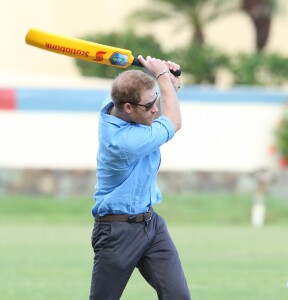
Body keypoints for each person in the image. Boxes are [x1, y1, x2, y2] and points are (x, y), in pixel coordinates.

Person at [89, 55, 191, 300]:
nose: (155, 109)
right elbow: (173, 122)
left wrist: (166, 79)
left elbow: (155, 101)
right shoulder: (123, 143)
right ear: (128, 108)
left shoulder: (122, 100)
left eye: (155, 99)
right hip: (117, 231)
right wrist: (162, 77)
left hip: (151, 225)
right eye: (149, 106)